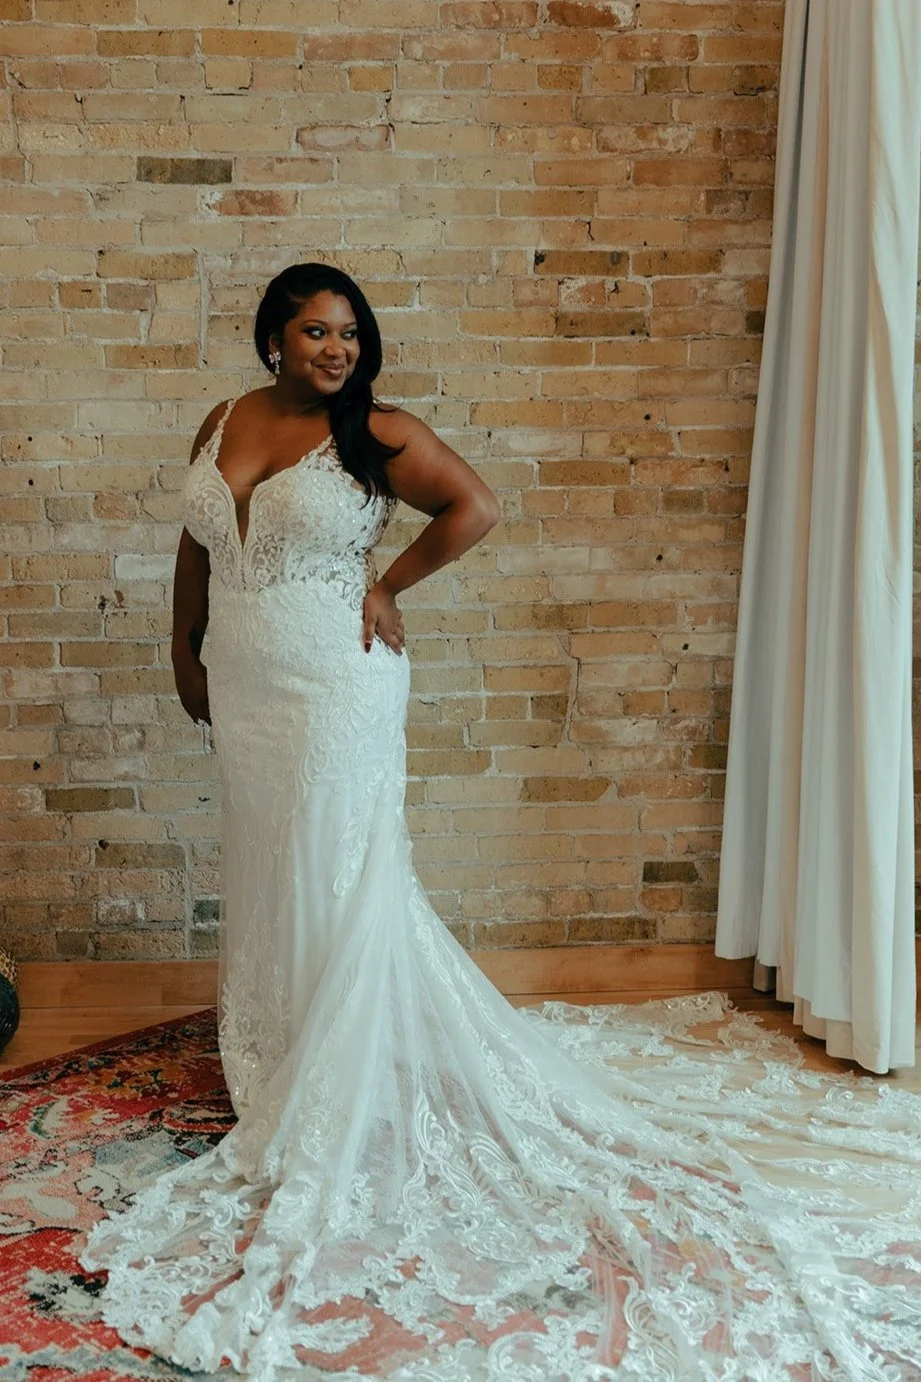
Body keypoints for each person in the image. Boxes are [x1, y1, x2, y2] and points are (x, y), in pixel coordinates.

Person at [78, 263, 921, 1380]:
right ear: (272, 337)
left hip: (336, 681)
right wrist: (182, 651)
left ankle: (346, 1068)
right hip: (244, 679)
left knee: (339, 869)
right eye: (316, 331)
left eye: (349, 333)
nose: (337, 349)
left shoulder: (377, 432)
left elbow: (475, 505)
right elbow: (196, 546)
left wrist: (388, 586)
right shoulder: (222, 419)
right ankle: (282, 1042)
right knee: (272, 863)